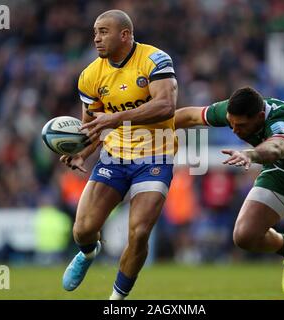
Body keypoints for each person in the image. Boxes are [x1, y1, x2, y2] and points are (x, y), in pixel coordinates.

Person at [175, 86, 284, 299]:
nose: (234, 129)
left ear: (260, 116)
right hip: (281, 171)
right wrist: (153, 127)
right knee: (244, 235)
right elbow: (191, 117)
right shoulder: (235, 111)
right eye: (231, 123)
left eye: (241, 125)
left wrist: (251, 154)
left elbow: (275, 149)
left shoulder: (283, 121)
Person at [60, 9, 178, 300]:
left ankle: (116, 300)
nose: (97, 38)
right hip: (114, 158)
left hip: (155, 156)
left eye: (103, 32)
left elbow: (166, 106)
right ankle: (88, 253)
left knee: (138, 233)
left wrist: (115, 119)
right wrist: (81, 152)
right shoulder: (90, 75)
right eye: (95, 33)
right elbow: (92, 127)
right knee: (83, 230)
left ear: (124, 35)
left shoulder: (155, 60)